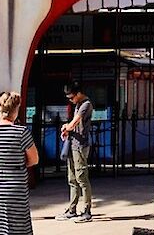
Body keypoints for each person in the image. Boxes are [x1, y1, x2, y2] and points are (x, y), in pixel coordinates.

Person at [0, 92, 39, 235]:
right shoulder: (21, 132)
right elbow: (34, 159)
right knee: (16, 227)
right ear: (16, 109)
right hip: (14, 187)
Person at [56, 81, 94, 222]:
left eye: (71, 97)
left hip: (80, 145)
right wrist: (67, 129)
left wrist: (67, 127)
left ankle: (87, 210)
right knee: (72, 179)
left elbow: (74, 123)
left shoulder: (86, 105)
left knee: (82, 178)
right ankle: (72, 209)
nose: (70, 100)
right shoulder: (78, 105)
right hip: (73, 144)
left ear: (78, 94)